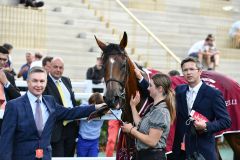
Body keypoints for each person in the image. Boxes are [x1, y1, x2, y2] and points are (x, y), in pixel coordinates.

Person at [0, 66, 105, 160]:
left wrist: (95, 107)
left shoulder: (50, 102)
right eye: (35, 81)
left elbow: (71, 112)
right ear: (28, 82)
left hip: (45, 156)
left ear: (46, 82)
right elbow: (6, 141)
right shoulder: (14, 106)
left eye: (42, 81)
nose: (38, 85)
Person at [172, 57, 231, 160]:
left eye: (191, 69)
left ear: (200, 71)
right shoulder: (179, 90)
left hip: (202, 151)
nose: (188, 73)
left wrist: (206, 126)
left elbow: (226, 121)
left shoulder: (214, 94)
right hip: (180, 151)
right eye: (185, 70)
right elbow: (159, 94)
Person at [121, 73, 176, 160]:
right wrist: (133, 106)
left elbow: (152, 141)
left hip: (152, 156)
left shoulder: (160, 111)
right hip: (144, 155)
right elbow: (140, 124)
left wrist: (131, 130)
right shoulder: (154, 107)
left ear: (160, 89)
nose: (148, 88)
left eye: (150, 85)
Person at [43, 57, 78, 157]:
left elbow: (72, 102)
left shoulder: (66, 80)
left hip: (71, 127)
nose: (58, 70)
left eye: (61, 67)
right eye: (55, 67)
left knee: (69, 156)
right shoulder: (44, 82)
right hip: (56, 128)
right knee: (58, 157)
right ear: (49, 67)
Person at [0, 46, 21, 132]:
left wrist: (6, 83)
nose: (2, 62)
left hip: (6, 118)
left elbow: (18, 97)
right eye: (0, 59)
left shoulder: (9, 76)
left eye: (5, 60)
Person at [77, 92, 104, 157]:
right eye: (92, 106)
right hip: (83, 139)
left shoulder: (104, 110)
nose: (94, 108)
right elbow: (77, 109)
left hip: (94, 141)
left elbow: (113, 109)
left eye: (97, 106)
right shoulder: (85, 106)